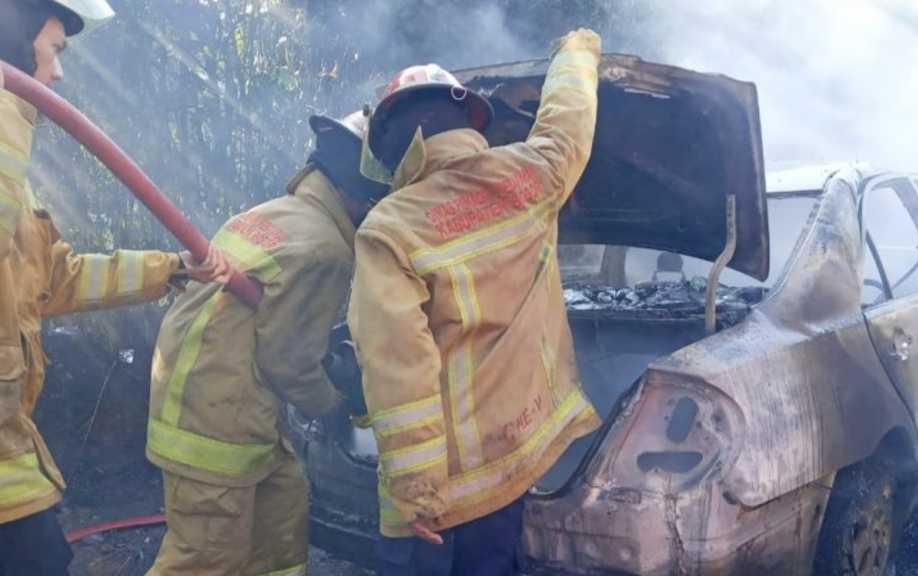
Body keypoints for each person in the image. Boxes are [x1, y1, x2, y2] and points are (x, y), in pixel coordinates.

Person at [348, 28, 603, 576]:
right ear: (469, 120)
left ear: (394, 150)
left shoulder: (389, 228)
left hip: (437, 502)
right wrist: (576, 52)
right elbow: (570, 119)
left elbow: (399, 368)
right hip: (510, 468)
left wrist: (417, 491)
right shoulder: (533, 175)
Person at [0, 1, 229, 575]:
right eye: (53, 52)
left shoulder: (16, 184)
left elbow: (56, 279)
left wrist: (172, 267)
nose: (56, 75)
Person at [145, 110, 381, 576]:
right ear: (365, 194)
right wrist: (334, 405)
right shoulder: (325, 249)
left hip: (215, 401)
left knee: (279, 526)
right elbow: (288, 357)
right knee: (206, 560)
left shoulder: (268, 214)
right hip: (214, 427)